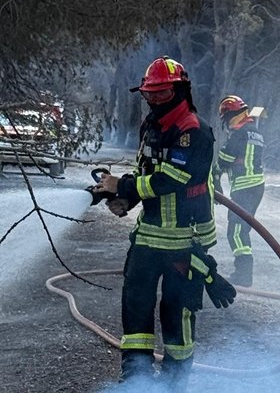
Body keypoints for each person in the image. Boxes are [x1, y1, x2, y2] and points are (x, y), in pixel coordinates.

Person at [95, 56, 235, 390]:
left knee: (177, 315)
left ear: (180, 90)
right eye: (150, 93)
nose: (156, 100)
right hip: (147, 237)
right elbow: (146, 172)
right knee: (136, 309)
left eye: (163, 93)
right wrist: (128, 200)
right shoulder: (151, 125)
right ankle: (137, 380)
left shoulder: (194, 130)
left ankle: (174, 383)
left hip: (184, 240)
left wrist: (123, 185)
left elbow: (172, 179)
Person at [214, 94, 265, 287]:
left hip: (244, 187)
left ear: (229, 116)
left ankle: (244, 274)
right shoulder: (255, 132)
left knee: (236, 231)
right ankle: (244, 272)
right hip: (256, 186)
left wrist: (215, 175)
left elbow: (224, 158)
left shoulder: (239, 133)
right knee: (243, 229)